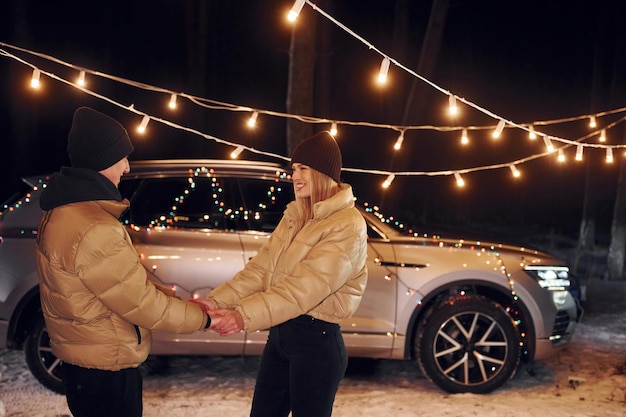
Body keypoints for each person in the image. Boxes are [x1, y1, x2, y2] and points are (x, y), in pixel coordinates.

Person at [35, 106, 220, 417]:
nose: (127, 167)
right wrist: (204, 320)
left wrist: (173, 297)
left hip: (84, 365)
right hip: (108, 371)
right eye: (121, 157)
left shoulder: (62, 213)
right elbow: (141, 304)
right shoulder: (95, 228)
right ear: (101, 160)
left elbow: (123, 286)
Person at [195, 131, 368, 417]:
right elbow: (260, 270)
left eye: (304, 169)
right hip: (281, 337)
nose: (295, 176)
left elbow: (301, 290)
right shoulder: (296, 217)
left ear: (323, 173)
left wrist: (242, 316)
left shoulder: (347, 225)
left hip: (317, 344)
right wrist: (216, 302)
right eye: (294, 169)